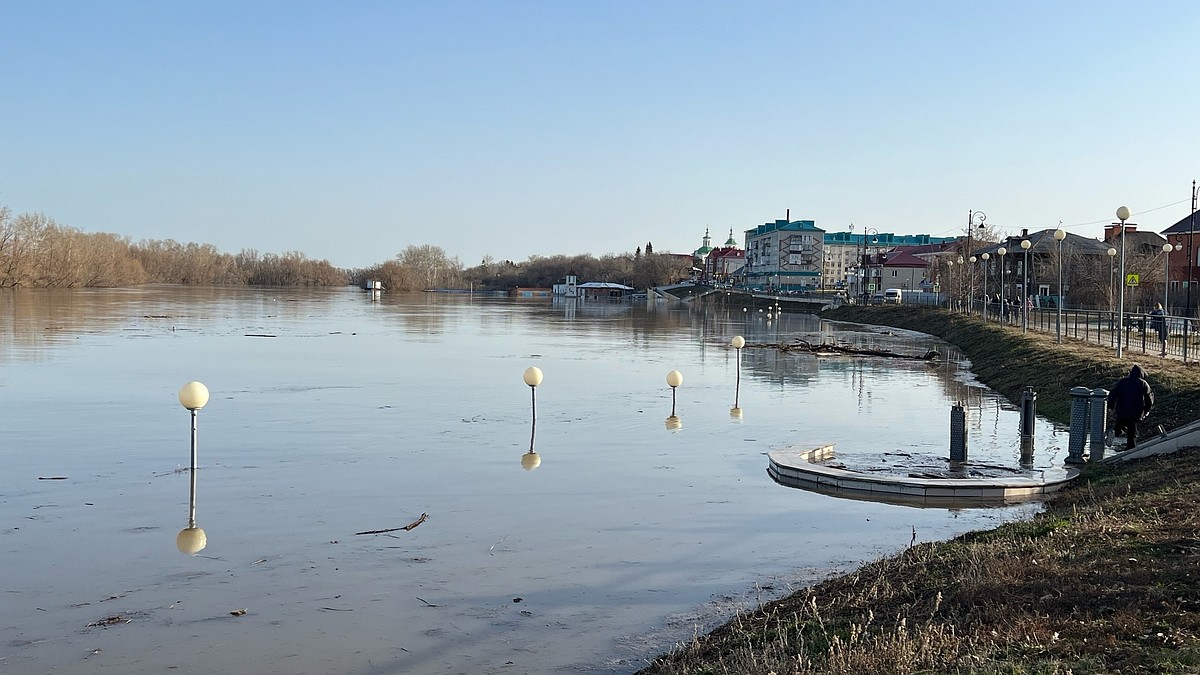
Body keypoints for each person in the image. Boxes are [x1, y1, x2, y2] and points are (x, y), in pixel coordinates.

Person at [1106, 364, 1154, 451]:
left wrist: (1110, 406)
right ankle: (1130, 448)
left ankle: (1114, 432)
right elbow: (1148, 398)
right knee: (1131, 429)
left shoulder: (1122, 382)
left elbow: (1113, 394)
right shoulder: (1143, 383)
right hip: (1136, 410)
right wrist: (1147, 410)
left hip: (1122, 409)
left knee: (1122, 423)